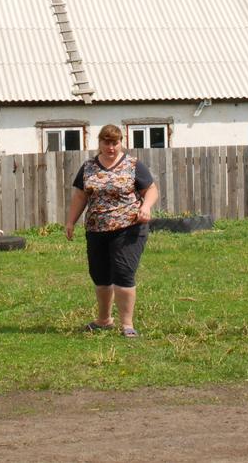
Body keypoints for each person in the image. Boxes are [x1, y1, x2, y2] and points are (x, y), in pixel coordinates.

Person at [66, 124, 159, 338]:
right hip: (96, 229)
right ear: (99, 143)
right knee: (100, 275)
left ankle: (127, 324)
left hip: (129, 227)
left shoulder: (133, 165)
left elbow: (151, 190)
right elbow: (80, 196)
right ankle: (104, 320)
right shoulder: (88, 167)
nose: (110, 147)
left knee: (123, 272)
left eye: (115, 143)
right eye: (106, 142)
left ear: (120, 143)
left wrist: (145, 207)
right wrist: (70, 221)